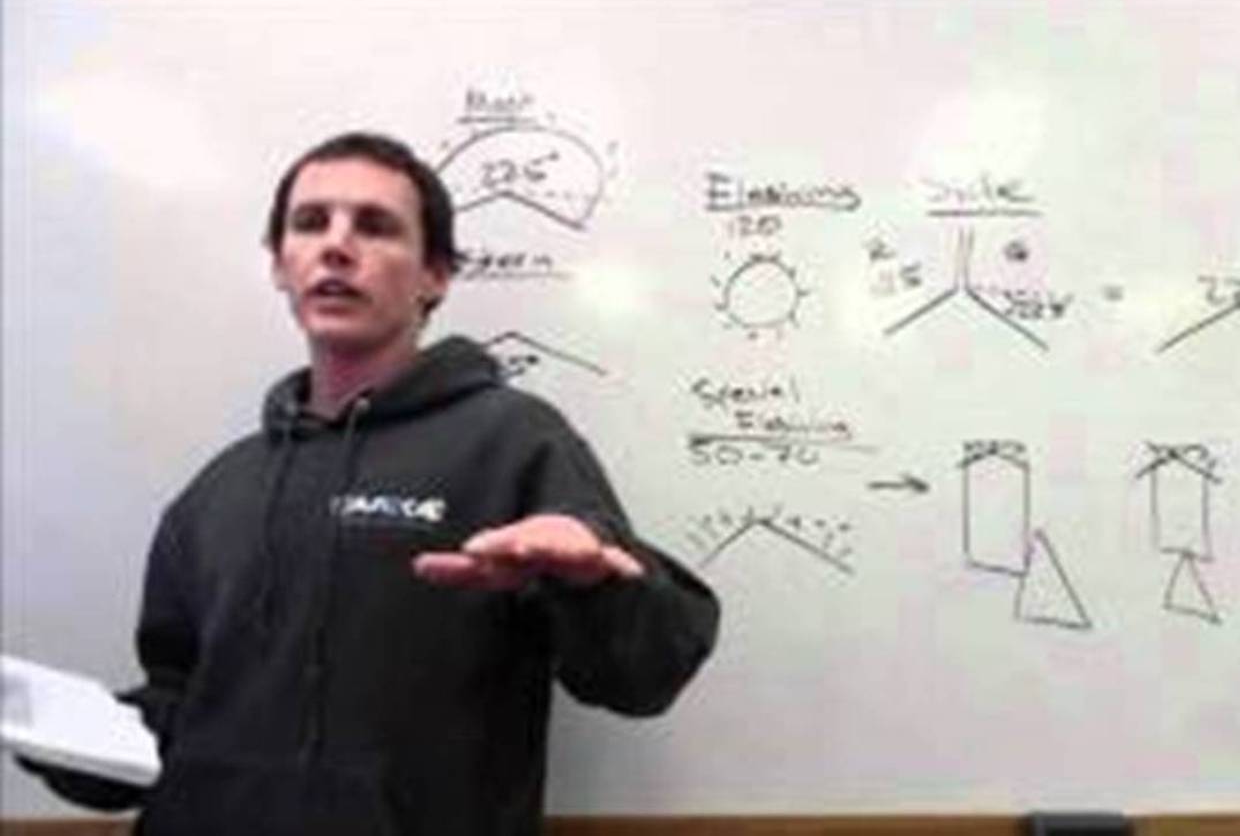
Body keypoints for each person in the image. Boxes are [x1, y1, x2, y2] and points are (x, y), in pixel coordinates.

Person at [19, 131, 720, 835]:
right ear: (280, 265)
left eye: (376, 225)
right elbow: (177, 710)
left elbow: (645, 676)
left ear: (434, 275)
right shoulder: (220, 488)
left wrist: (594, 586)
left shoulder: (514, 443)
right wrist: (61, 733)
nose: (336, 245)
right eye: (310, 222)